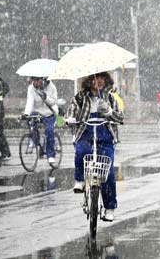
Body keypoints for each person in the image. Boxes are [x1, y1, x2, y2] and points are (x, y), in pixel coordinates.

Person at [65, 71, 124, 222]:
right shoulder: (80, 97)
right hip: (86, 134)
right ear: (89, 80)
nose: (99, 81)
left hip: (105, 138)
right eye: (96, 78)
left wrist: (109, 111)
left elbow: (120, 117)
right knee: (81, 152)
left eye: (102, 78)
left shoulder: (110, 97)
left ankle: (109, 208)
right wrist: (71, 118)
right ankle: (79, 180)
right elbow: (71, 110)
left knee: (108, 173)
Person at [22, 76, 59, 164]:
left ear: (43, 80)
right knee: (30, 122)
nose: (35, 83)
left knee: (49, 131)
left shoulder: (51, 87)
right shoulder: (31, 88)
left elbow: (53, 102)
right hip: (37, 112)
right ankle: (37, 143)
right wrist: (26, 113)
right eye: (34, 80)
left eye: (38, 80)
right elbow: (30, 101)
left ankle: (51, 155)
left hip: (49, 112)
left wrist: (45, 97)